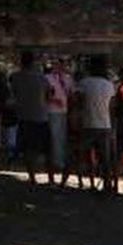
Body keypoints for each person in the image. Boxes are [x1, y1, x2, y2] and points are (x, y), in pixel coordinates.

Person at [74, 55, 117, 193]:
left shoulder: (84, 83)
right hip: (105, 124)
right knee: (105, 159)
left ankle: (83, 182)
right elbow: (112, 107)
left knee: (84, 155)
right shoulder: (109, 85)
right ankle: (107, 185)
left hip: (88, 123)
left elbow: (78, 103)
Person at [9, 50, 51, 185]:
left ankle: (32, 176)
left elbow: (14, 93)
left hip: (24, 115)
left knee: (27, 148)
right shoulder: (41, 78)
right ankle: (50, 178)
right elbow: (49, 94)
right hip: (41, 115)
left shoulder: (15, 77)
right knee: (46, 148)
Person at [44, 56, 74, 187]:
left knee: (64, 140)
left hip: (66, 112)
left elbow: (71, 94)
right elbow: (44, 95)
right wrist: (53, 100)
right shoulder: (47, 79)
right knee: (54, 139)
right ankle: (54, 167)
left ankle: (62, 167)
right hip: (52, 112)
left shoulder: (68, 79)